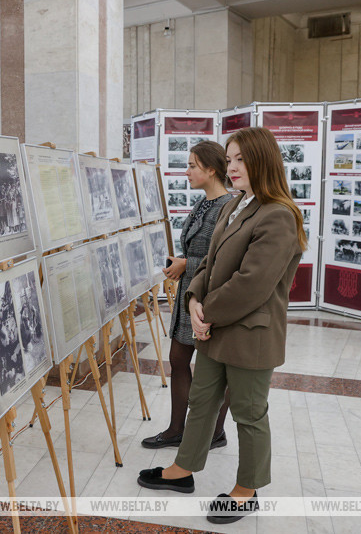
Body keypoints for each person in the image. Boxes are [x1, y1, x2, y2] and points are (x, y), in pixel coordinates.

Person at [137, 127, 306, 526]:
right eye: (229, 160)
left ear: (263, 161)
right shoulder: (237, 206)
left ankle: (246, 491)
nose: (232, 167)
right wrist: (194, 299)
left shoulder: (278, 215)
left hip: (250, 336)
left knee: (248, 413)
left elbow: (252, 284)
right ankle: (182, 470)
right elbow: (210, 264)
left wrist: (204, 311)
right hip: (214, 327)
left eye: (240, 160)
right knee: (202, 401)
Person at [141, 140, 235, 451]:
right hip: (189, 294)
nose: (187, 171)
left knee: (214, 370)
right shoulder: (203, 204)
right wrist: (181, 263)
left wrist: (187, 264)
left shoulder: (229, 207)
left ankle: (215, 431)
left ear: (211, 170)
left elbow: (226, 259)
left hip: (212, 298)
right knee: (178, 359)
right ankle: (176, 429)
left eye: (193, 165)